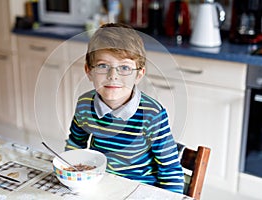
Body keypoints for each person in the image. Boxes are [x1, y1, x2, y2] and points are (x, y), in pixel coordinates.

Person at [65, 23, 184, 194]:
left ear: (139, 74)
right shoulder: (84, 105)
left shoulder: (152, 114)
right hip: (99, 186)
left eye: (125, 68)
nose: (113, 75)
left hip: (140, 190)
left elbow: (171, 171)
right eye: (103, 66)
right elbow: (76, 144)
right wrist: (71, 173)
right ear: (89, 71)